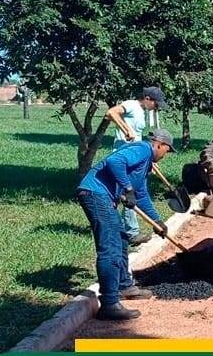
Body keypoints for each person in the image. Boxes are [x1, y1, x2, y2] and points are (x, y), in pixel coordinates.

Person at [76, 129, 177, 320]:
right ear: (159, 144)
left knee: (122, 240)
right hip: (95, 194)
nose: (166, 155)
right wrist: (127, 188)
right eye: (167, 150)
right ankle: (109, 303)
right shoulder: (142, 149)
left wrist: (157, 221)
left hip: (104, 197)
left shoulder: (145, 163)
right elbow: (115, 162)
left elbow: (141, 195)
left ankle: (124, 286)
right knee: (111, 246)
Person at [106, 86, 167, 246]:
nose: (156, 107)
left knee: (133, 192)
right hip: (123, 157)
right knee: (129, 192)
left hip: (135, 157)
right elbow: (111, 113)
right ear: (147, 98)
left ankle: (128, 231)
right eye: (156, 103)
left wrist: (148, 160)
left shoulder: (141, 112)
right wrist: (126, 130)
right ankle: (129, 232)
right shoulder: (132, 105)